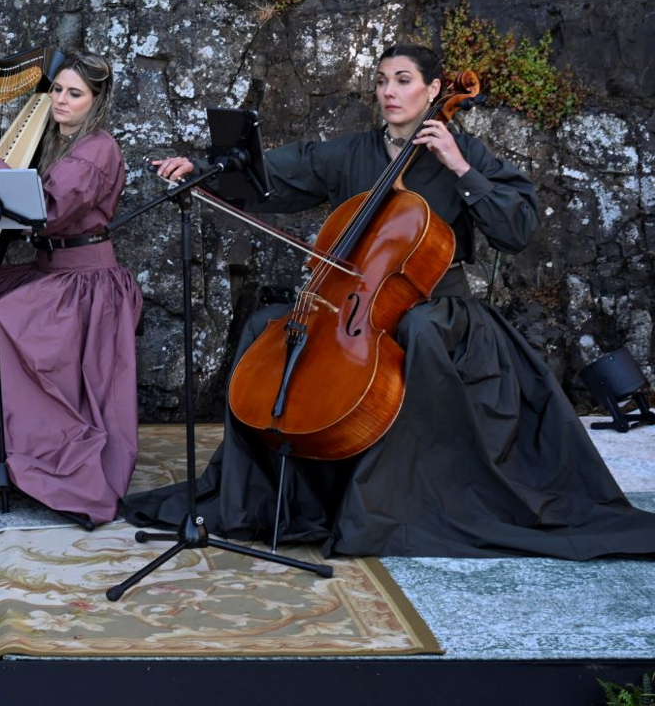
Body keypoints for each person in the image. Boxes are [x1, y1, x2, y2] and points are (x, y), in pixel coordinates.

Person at [122, 43, 655, 558]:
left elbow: (517, 226)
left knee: (417, 331)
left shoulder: (465, 152)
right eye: (382, 81)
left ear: (434, 90)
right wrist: (203, 167)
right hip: (354, 305)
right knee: (268, 324)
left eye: (403, 81)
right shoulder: (352, 151)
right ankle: (267, 494)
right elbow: (277, 173)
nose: (389, 92)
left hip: (436, 306)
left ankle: (393, 504)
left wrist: (459, 168)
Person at [0, 52, 144, 525]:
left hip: (85, 283)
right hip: (51, 272)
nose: (61, 100)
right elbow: (17, 192)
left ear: (97, 101)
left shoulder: (98, 148)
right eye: (57, 90)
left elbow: (44, 206)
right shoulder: (51, 138)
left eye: (74, 94)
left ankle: (9, 455)